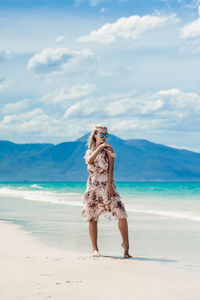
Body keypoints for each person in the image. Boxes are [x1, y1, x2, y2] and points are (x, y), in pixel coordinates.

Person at [81, 124, 132, 259]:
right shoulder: (90, 151)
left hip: (107, 185)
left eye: (106, 134)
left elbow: (112, 168)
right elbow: (90, 161)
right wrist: (99, 149)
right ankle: (95, 249)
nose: (104, 137)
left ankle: (126, 245)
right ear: (95, 135)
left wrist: (109, 185)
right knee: (92, 217)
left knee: (120, 212)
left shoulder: (109, 149)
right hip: (93, 186)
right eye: (101, 134)